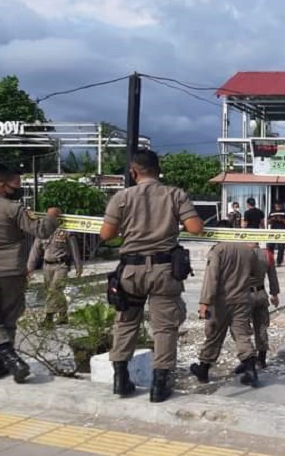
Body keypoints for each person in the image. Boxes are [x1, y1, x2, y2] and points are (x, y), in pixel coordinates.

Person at [100, 149, 203, 403]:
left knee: (125, 322)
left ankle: (121, 378)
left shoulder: (121, 197)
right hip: (164, 271)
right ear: (158, 170)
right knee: (165, 327)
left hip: (130, 272)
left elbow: (106, 235)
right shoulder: (175, 194)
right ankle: (160, 384)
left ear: (133, 172)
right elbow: (196, 229)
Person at [0, 164, 60, 383]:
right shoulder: (14, 209)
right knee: (8, 319)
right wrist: (52, 216)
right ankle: (9, 359)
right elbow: (41, 231)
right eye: (16, 183)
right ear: (1, 184)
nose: (18, 187)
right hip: (12, 272)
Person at [189, 220, 260, 386]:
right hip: (242, 299)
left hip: (221, 301)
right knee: (242, 334)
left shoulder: (217, 251)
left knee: (214, 335)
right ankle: (251, 369)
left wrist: (204, 302)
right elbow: (256, 274)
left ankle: (204, 370)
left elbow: (211, 278)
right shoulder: (247, 250)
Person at [233, 242, 280, 373]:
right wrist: (274, 294)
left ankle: (248, 358)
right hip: (260, 294)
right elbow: (272, 276)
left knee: (242, 328)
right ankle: (262, 359)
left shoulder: (240, 253)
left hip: (243, 294)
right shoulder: (267, 254)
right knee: (261, 327)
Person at [27, 225, 83, 326]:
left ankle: (49, 317)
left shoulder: (66, 232)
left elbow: (74, 249)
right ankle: (63, 316)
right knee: (54, 290)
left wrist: (78, 266)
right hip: (47, 265)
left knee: (54, 290)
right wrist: (30, 268)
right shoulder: (42, 231)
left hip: (61, 265)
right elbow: (35, 251)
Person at [266, 200, 285, 265]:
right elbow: (268, 222)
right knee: (270, 246)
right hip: (273, 231)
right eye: (277, 204)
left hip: (282, 231)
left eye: (279, 204)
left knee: (281, 247)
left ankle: (279, 261)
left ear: (281, 205)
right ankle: (271, 260)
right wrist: (272, 219)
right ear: (275, 205)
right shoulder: (272, 212)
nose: (278, 206)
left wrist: (281, 220)